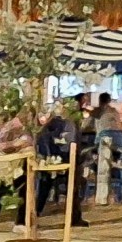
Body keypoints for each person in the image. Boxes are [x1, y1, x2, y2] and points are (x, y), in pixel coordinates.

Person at [34, 95, 88, 228]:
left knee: (45, 186)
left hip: (52, 156)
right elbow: (70, 141)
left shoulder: (52, 123)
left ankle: (35, 212)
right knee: (72, 187)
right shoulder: (68, 122)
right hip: (66, 157)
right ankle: (73, 217)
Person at [0, 116, 35, 234]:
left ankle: (21, 222)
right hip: (10, 165)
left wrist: (24, 145)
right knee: (3, 191)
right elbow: (3, 146)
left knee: (25, 192)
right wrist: (18, 144)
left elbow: (29, 143)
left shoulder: (27, 131)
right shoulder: (6, 132)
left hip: (25, 164)